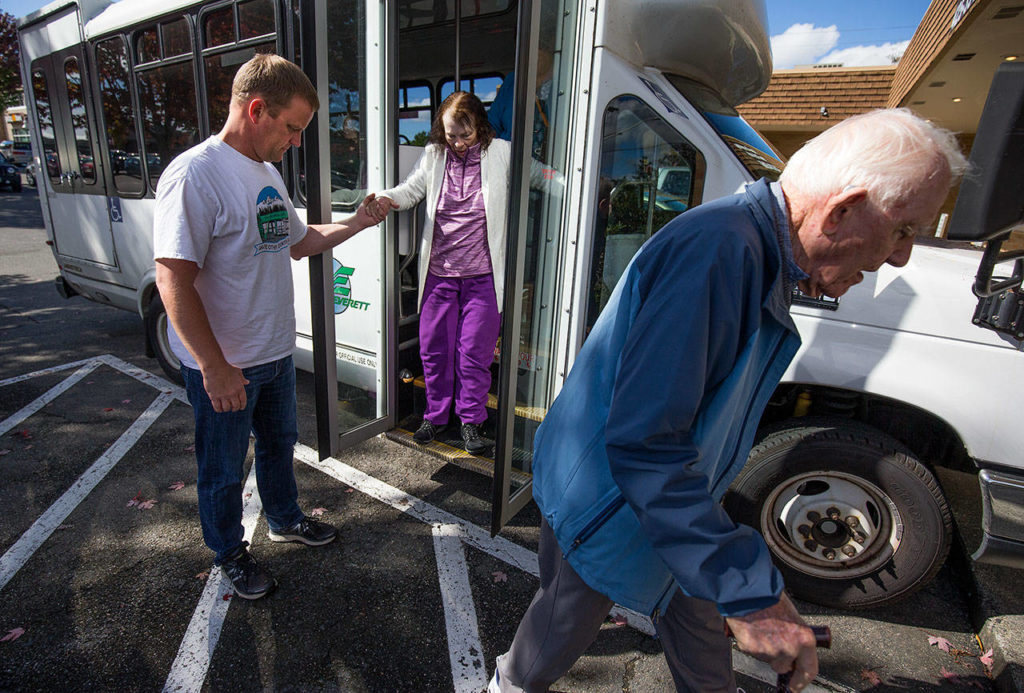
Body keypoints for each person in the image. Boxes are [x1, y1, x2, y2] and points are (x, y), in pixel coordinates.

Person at [488, 108, 968, 693]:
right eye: (904, 229)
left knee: (703, 626)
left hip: (675, 506)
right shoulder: (720, 251)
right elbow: (645, 445)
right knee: (557, 632)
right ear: (842, 211)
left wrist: (747, 589)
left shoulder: (754, 250)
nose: (901, 257)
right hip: (609, 503)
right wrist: (749, 595)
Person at [153, 54, 388, 600]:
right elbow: (172, 282)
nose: (297, 141)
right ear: (256, 109)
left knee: (280, 445)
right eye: (292, 127)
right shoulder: (195, 174)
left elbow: (300, 242)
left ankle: (283, 518)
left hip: (274, 354)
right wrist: (214, 367)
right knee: (222, 470)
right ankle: (229, 551)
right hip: (228, 366)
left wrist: (357, 222)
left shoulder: (265, 171)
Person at [371, 91, 512, 456]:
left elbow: (542, 176)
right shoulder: (435, 156)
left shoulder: (503, 154)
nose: (459, 142)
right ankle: (435, 415)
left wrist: (580, 187)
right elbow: (411, 190)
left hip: (483, 278)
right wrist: (385, 198)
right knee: (434, 350)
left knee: (473, 354)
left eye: (466, 134)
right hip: (440, 276)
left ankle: (471, 422)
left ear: (481, 126)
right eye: (452, 135)